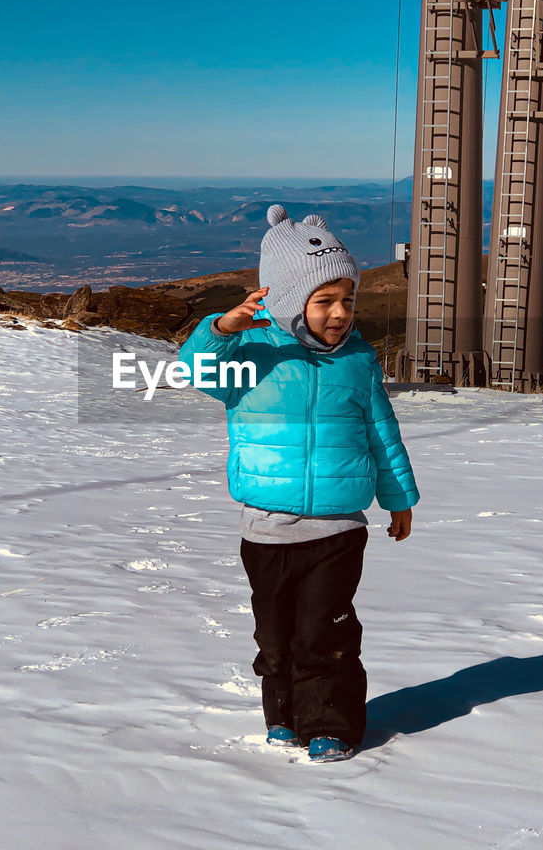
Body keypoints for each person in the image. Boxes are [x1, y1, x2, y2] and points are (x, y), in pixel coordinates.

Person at [177, 204, 420, 763]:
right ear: (288, 302)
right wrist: (220, 328)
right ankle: (283, 714)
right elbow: (194, 370)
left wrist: (399, 497)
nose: (340, 313)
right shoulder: (255, 357)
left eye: (347, 299)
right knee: (276, 633)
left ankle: (331, 723)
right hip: (265, 527)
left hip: (338, 527)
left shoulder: (357, 361)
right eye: (324, 300)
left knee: (326, 632)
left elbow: (383, 432)